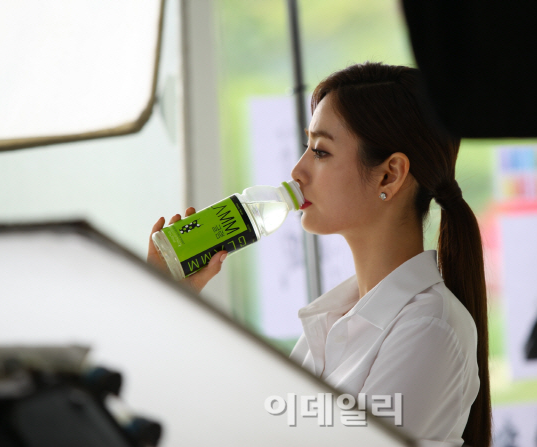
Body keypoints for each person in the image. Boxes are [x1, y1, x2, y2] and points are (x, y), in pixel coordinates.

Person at [148, 62, 490, 447]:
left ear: (389, 175)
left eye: (321, 151)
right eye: (306, 147)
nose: (297, 171)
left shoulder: (429, 328)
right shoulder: (330, 322)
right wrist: (170, 299)